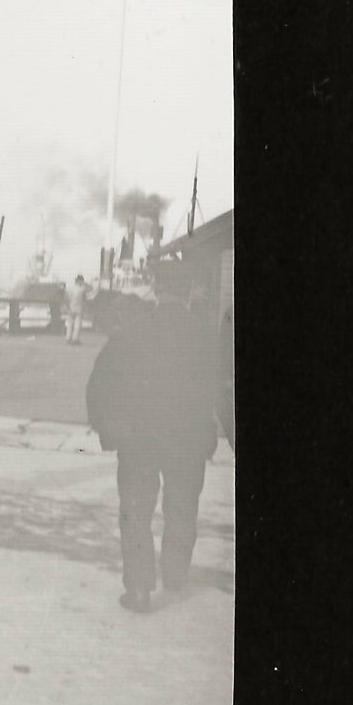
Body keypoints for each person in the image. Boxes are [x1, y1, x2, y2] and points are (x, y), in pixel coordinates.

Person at [86, 260, 219, 613]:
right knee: (183, 507)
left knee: (135, 510)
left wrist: (108, 429)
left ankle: (139, 588)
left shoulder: (134, 329)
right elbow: (223, 390)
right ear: (189, 291)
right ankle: (175, 574)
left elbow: (100, 383)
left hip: (139, 439)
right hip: (188, 439)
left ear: (157, 289)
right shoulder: (206, 335)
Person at [64, 274, 89, 344]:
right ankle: (75, 339)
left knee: (70, 323)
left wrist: (68, 306)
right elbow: (85, 298)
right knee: (77, 324)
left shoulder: (70, 288)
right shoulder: (83, 289)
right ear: (81, 281)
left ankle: (68, 338)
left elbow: (66, 298)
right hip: (79, 308)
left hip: (70, 307)